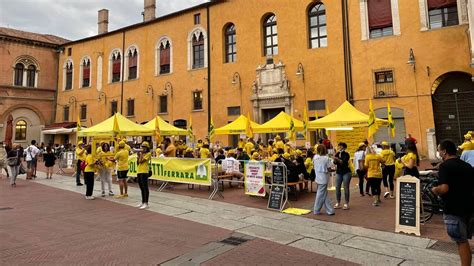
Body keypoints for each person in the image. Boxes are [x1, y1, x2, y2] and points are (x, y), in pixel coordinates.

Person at [432, 140, 474, 266]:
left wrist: (435, 190)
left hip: (453, 209)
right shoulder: (467, 166)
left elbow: (444, 188)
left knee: (461, 242)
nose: (438, 152)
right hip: (469, 208)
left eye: (439, 150)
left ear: (444, 151)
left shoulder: (445, 166)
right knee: (464, 240)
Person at [313, 144, 335, 215]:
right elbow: (329, 169)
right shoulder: (326, 158)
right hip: (324, 178)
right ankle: (316, 210)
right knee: (320, 195)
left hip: (318, 177)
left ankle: (330, 210)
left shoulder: (315, 157)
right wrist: (335, 169)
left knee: (324, 194)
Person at [332, 142, 351, 210]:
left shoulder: (346, 154)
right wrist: (334, 158)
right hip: (339, 172)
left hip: (346, 172)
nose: (339, 147)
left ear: (344, 147)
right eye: (339, 146)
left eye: (341, 146)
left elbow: (343, 162)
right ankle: (338, 202)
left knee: (346, 187)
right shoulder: (337, 153)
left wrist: (336, 158)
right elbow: (335, 163)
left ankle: (346, 203)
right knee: (337, 187)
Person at [137, 141, 151, 210]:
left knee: (145, 188)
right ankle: (143, 202)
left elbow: (141, 161)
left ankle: (146, 203)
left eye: (144, 147)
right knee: (141, 187)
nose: (143, 148)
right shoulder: (141, 154)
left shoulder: (148, 154)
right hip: (139, 171)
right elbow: (138, 162)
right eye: (142, 147)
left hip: (144, 172)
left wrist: (141, 154)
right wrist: (138, 155)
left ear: (147, 148)